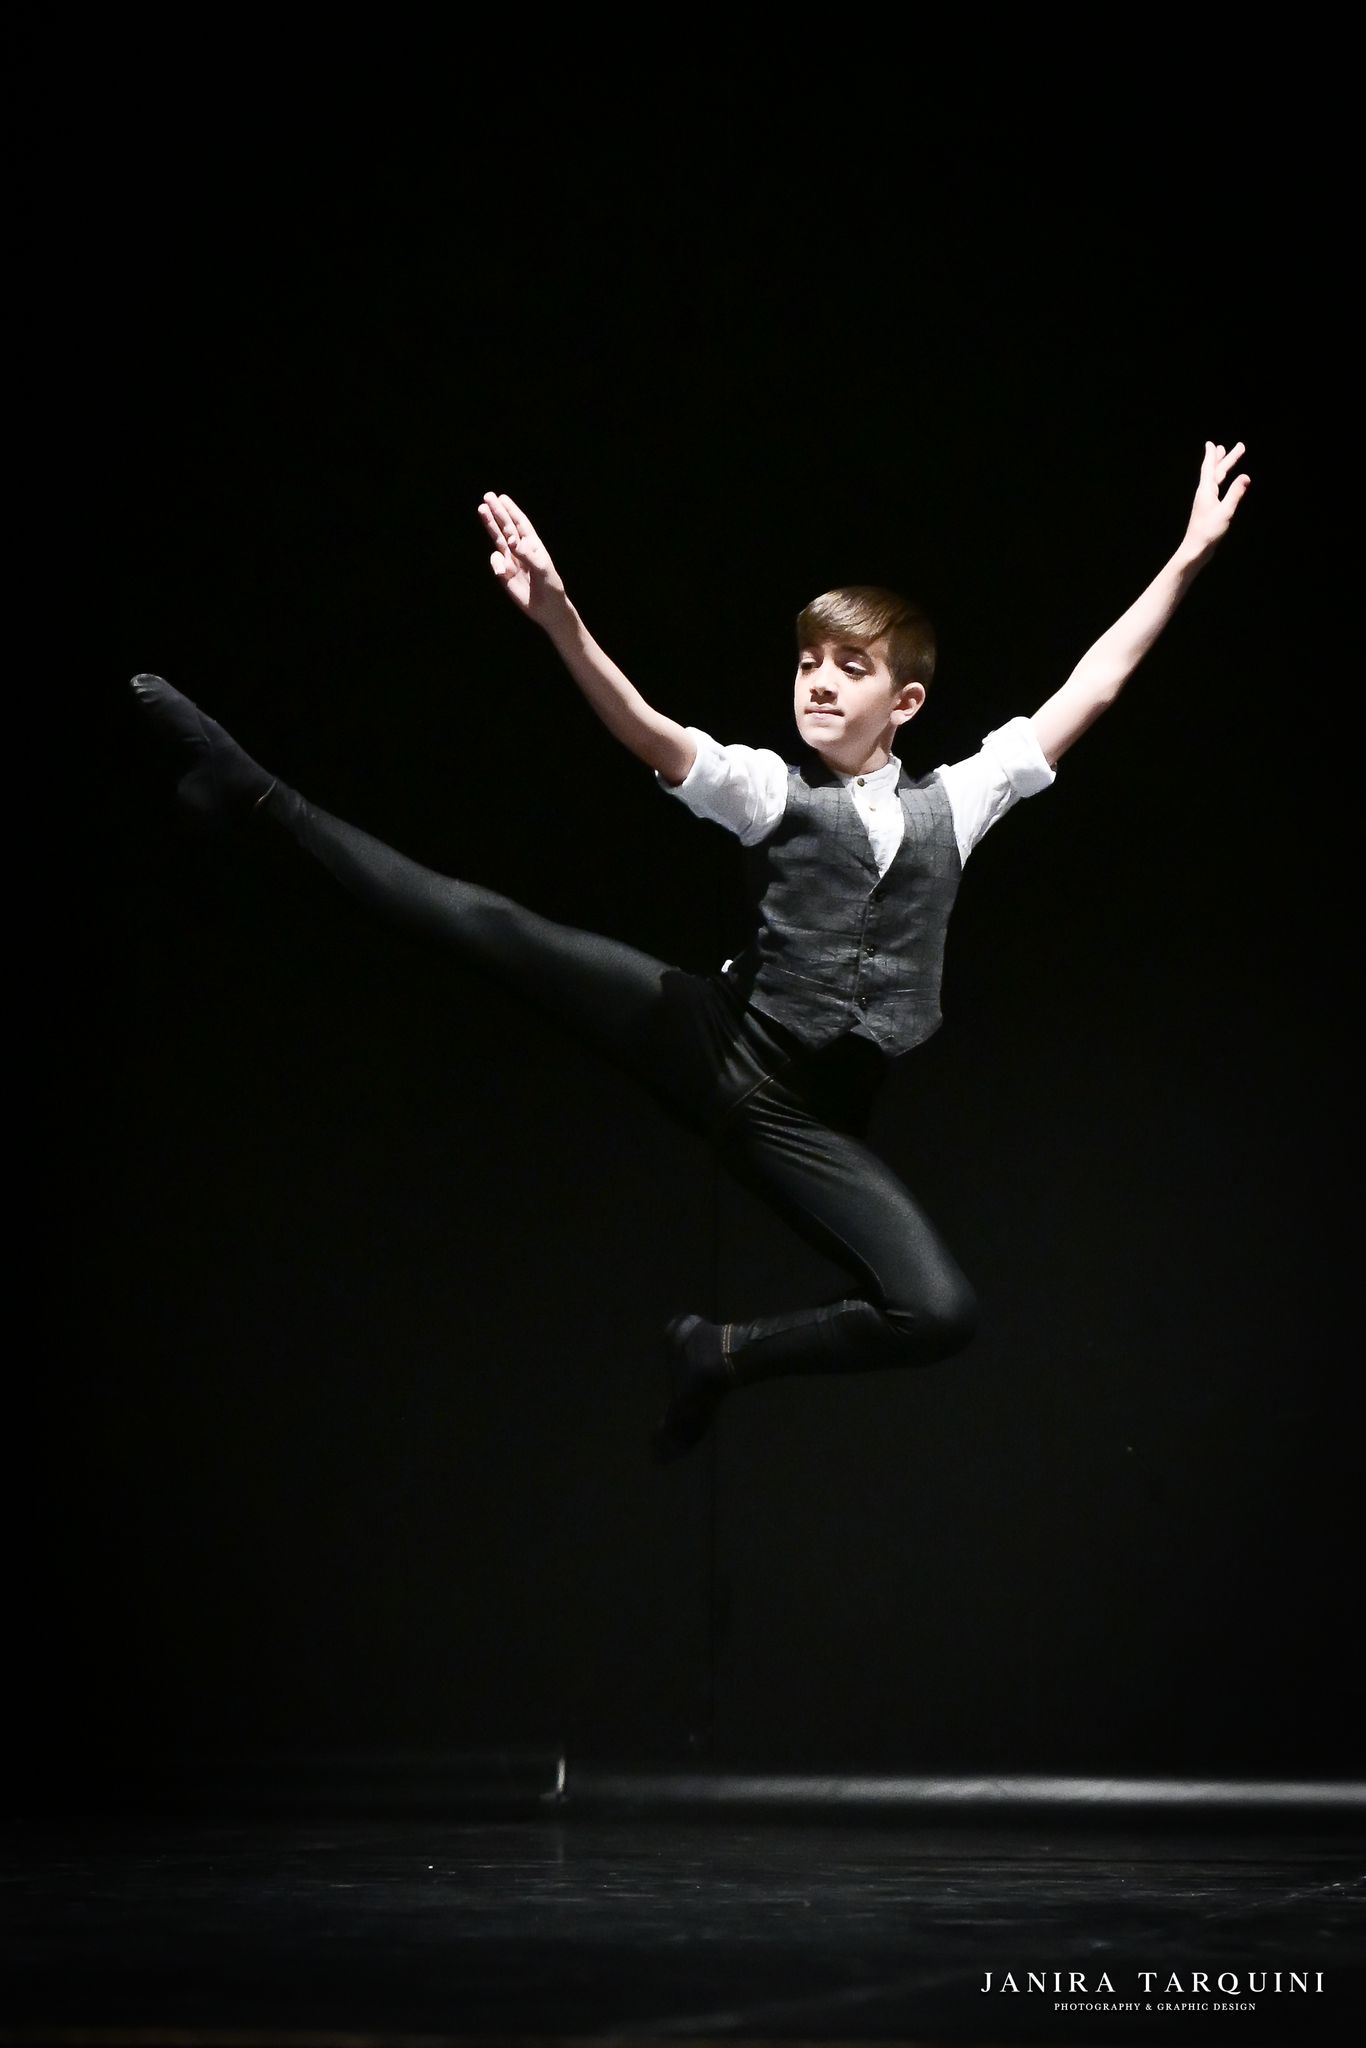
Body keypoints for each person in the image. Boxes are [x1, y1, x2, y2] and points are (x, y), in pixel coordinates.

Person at [130, 440, 1250, 1463]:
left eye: (848, 666)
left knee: (939, 1311)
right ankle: (251, 787)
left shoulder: (959, 803)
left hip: (801, 1122)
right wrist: (560, 618)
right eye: (807, 661)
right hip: (710, 1038)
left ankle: (715, 1351)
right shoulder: (767, 790)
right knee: (489, 927)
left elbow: (1095, 681)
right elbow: (649, 730)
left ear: (904, 700)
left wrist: (1188, 556)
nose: (818, 680)